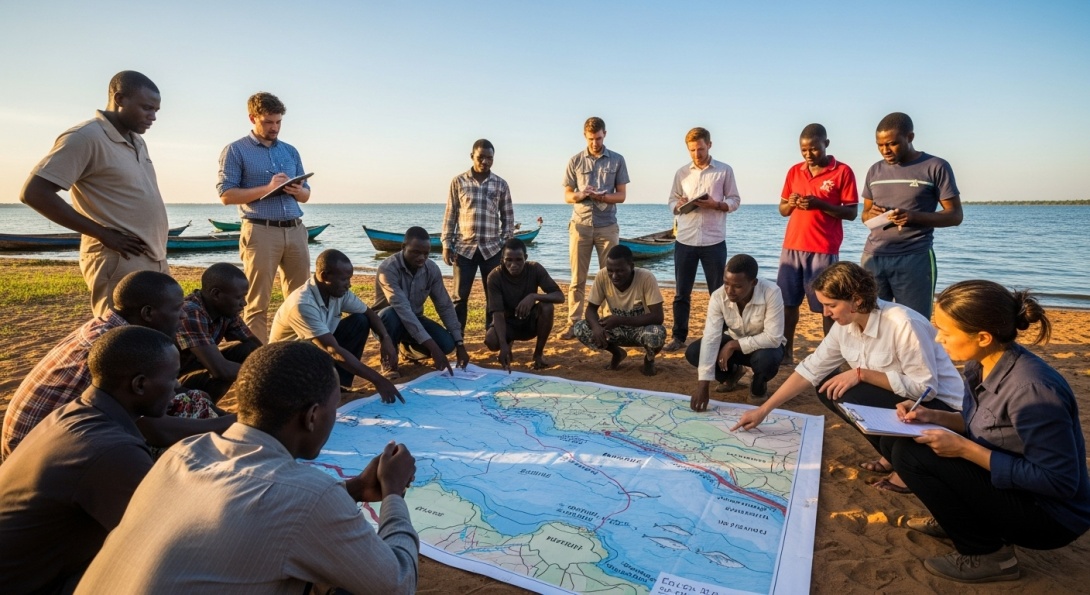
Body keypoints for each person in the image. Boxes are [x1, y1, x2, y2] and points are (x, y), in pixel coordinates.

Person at [76, 341, 419, 594]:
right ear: (312, 416)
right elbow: (397, 583)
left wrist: (356, 490)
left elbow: (255, 507)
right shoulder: (311, 495)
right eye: (334, 409)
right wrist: (393, 494)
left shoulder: (183, 453)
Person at [884, 281, 1090, 583]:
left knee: (915, 456)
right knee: (908, 446)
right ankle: (966, 521)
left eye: (946, 331)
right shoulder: (981, 364)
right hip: (1018, 492)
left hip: (1051, 517)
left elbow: (1059, 482)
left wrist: (966, 449)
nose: (938, 339)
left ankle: (990, 555)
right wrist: (933, 416)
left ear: (982, 336)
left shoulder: (1031, 390)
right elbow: (983, 423)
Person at [732, 262, 965, 494]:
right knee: (828, 388)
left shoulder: (902, 323)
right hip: (902, 400)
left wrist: (862, 374)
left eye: (831, 305)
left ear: (857, 300)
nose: (825, 313)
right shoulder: (845, 325)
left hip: (943, 408)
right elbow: (811, 369)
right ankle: (891, 457)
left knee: (851, 389)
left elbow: (926, 389)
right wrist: (763, 410)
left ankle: (905, 467)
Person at [0, 326, 179, 594]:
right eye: (173, 377)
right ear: (139, 384)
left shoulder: (77, 414)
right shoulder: (112, 450)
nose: (177, 387)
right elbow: (165, 539)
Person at [2, 271, 232, 461]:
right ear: (148, 313)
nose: (183, 316)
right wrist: (234, 424)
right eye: (176, 309)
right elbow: (156, 430)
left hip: (42, 443)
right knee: (193, 456)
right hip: (41, 456)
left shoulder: (109, 330)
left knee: (194, 399)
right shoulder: (118, 351)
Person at [20, 71, 169, 317]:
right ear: (119, 98)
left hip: (153, 256)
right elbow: (34, 193)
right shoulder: (85, 137)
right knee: (118, 338)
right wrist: (102, 234)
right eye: (146, 108)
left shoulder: (137, 140)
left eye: (156, 110)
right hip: (118, 257)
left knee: (153, 340)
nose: (152, 117)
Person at [217, 92, 312, 343]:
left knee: (300, 300)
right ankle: (257, 361)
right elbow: (226, 195)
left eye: (279, 122)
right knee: (256, 302)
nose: (275, 127)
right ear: (253, 118)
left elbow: (306, 196)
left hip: (295, 229)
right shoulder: (235, 150)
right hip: (260, 231)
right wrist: (268, 188)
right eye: (269, 122)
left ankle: (291, 356)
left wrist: (297, 190)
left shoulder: (290, 151)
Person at [860, 112, 962, 318]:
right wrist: (871, 214)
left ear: (910, 137)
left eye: (892, 144)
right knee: (871, 320)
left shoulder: (936, 166)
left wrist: (912, 217)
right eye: (879, 145)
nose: (885, 150)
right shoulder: (874, 171)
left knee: (915, 322)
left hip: (914, 257)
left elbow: (955, 215)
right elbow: (864, 215)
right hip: (873, 257)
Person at [270, 249, 402, 403]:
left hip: (314, 349)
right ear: (325, 276)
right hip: (289, 363)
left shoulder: (337, 292)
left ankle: (339, 384)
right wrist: (378, 380)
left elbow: (369, 313)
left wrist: (385, 339)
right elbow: (332, 350)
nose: (349, 285)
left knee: (360, 320)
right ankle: (310, 390)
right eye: (345, 279)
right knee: (319, 348)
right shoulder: (303, 304)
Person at [776, 123, 858, 362]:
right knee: (788, 304)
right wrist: (791, 203)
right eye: (803, 150)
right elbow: (783, 210)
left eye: (813, 149)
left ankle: (829, 357)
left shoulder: (842, 171)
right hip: (792, 247)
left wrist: (819, 204)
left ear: (826, 144)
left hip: (823, 248)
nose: (808, 155)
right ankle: (786, 352)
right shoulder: (794, 171)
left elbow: (851, 212)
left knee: (828, 306)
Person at [663, 127, 741, 352]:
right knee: (681, 293)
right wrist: (677, 205)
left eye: (700, 149)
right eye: (692, 150)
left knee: (719, 292)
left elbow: (735, 200)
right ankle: (679, 337)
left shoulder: (724, 171)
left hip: (714, 240)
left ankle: (722, 337)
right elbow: (671, 201)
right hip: (685, 239)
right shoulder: (681, 173)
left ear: (710, 145)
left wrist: (716, 204)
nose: (696, 154)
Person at [560, 116, 630, 339]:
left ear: (605, 134)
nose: (595, 143)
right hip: (580, 225)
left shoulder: (617, 160)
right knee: (577, 279)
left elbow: (621, 196)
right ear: (585, 136)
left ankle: (610, 321)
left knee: (611, 277)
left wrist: (603, 196)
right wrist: (581, 194)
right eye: (591, 139)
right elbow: (567, 195)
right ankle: (573, 323)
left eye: (598, 138)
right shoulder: (575, 161)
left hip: (607, 225)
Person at [687, 254, 785, 409]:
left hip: (763, 348)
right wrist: (703, 386)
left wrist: (733, 345)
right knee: (694, 352)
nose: (729, 291)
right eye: (726, 283)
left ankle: (758, 386)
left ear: (753, 283)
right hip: (736, 345)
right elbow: (711, 337)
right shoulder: (718, 296)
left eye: (737, 286)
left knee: (767, 359)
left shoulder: (772, 292)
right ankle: (731, 374)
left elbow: (773, 338)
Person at [442, 138, 515, 332]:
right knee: (459, 297)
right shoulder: (458, 182)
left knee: (493, 296)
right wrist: (446, 244)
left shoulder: (501, 184)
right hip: (464, 249)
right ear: (472, 156)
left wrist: (505, 246)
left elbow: (508, 218)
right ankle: (457, 338)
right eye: (480, 157)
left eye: (489, 158)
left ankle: (492, 334)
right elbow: (451, 214)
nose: (485, 162)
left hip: (492, 250)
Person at [375, 227, 469, 375]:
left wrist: (460, 344)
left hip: (415, 318)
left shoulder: (431, 269)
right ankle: (388, 361)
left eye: (426, 253)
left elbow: (444, 306)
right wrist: (433, 349)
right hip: (386, 323)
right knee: (390, 314)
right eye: (416, 252)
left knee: (447, 344)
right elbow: (402, 309)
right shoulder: (388, 269)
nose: (421, 258)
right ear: (403, 247)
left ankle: (408, 350)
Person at [573, 245, 665, 376]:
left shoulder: (646, 278)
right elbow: (590, 310)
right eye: (610, 270)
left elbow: (658, 316)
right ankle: (617, 353)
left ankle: (649, 360)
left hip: (641, 329)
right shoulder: (602, 276)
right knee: (580, 328)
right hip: (615, 329)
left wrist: (621, 319)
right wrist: (596, 328)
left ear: (631, 266)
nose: (614, 276)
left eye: (620, 271)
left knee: (657, 333)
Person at [176, 263, 261, 401]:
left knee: (250, 350)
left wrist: (273, 363)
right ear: (216, 294)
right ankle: (204, 411)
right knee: (221, 373)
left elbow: (254, 344)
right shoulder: (191, 312)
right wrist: (267, 373)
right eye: (239, 298)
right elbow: (220, 370)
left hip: (195, 368)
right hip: (173, 384)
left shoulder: (226, 310)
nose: (244, 303)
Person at [484, 238, 564, 371]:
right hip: (507, 323)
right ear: (502, 259)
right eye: (509, 260)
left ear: (525, 258)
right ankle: (508, 344)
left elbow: (559, 296)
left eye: (518, 260)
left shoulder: (535, 269)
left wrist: (534, 296)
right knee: (491, 340)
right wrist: (503, 345)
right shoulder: (495, 276)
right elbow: (497, 313)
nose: (513, 265)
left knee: (547, 306)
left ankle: (538, 354)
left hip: (529, 321)